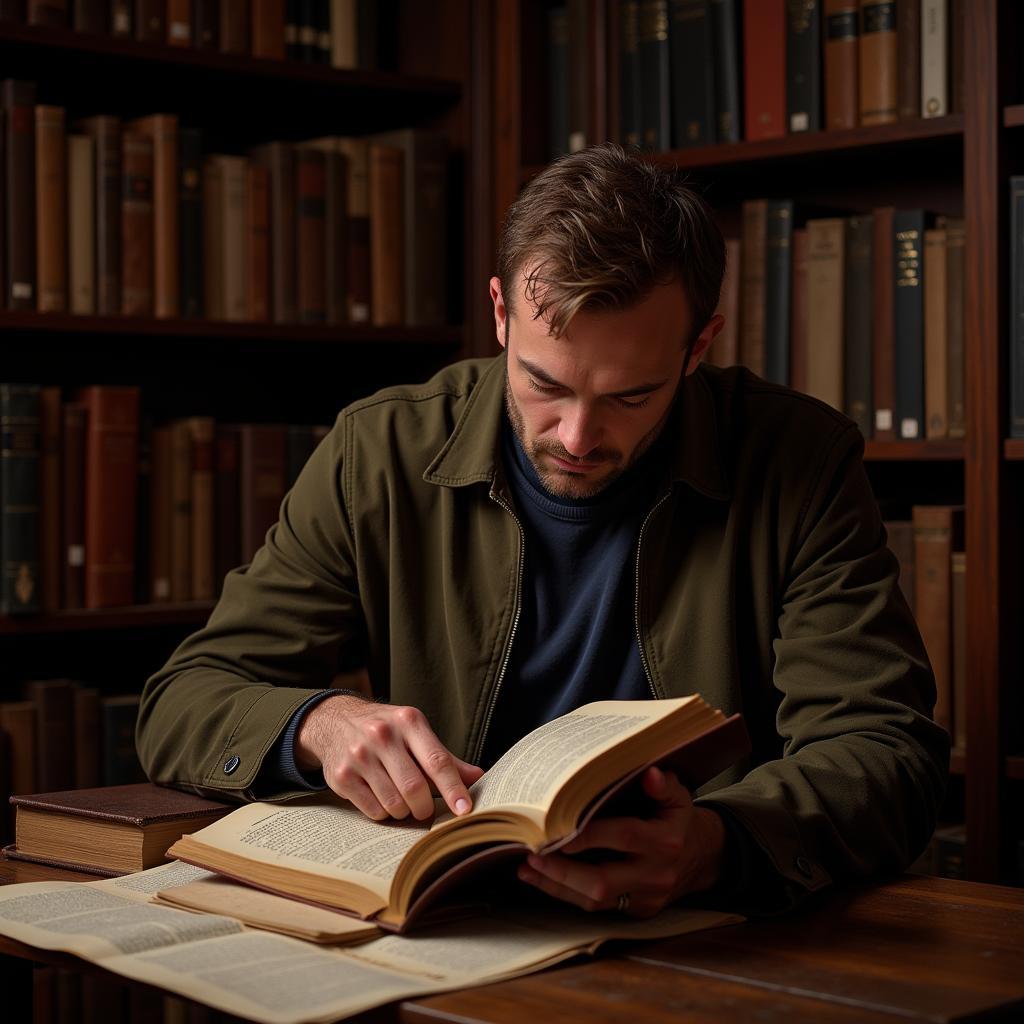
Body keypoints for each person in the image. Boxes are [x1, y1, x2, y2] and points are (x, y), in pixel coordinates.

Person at [138, 144, 949, 917]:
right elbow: (183, 700)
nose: (576, 437)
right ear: (500, 312)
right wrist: (318, 723)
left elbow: (885, 752)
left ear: (700, 343)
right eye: (543, 383)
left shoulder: (798, 461)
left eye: (631, 396)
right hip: (445, 925)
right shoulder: (379, 452)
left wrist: (719, 841)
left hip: (710, 935)